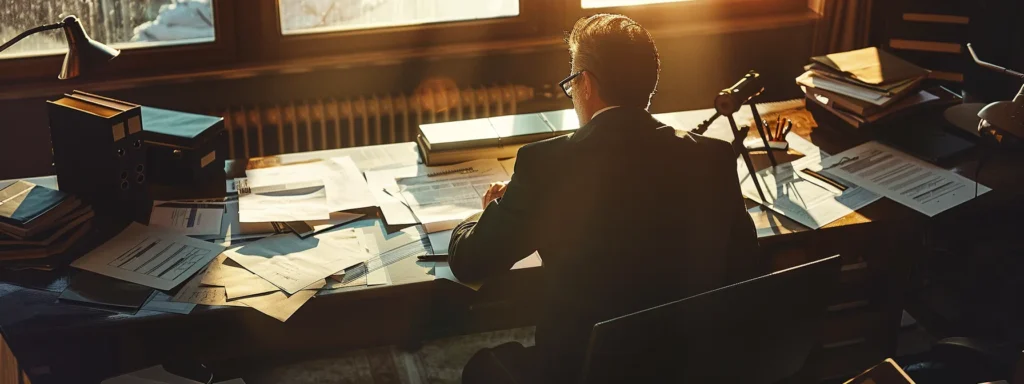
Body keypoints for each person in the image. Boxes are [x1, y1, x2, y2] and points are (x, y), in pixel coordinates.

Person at [451, 13, 763, 383]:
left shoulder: (546, 163)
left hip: (582, 371)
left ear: (585, 83)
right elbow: (745, 265)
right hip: (687, 366)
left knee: (481, 370)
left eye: (571, 82)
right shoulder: (713, 157)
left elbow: (471, 262)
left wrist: (483, 214)